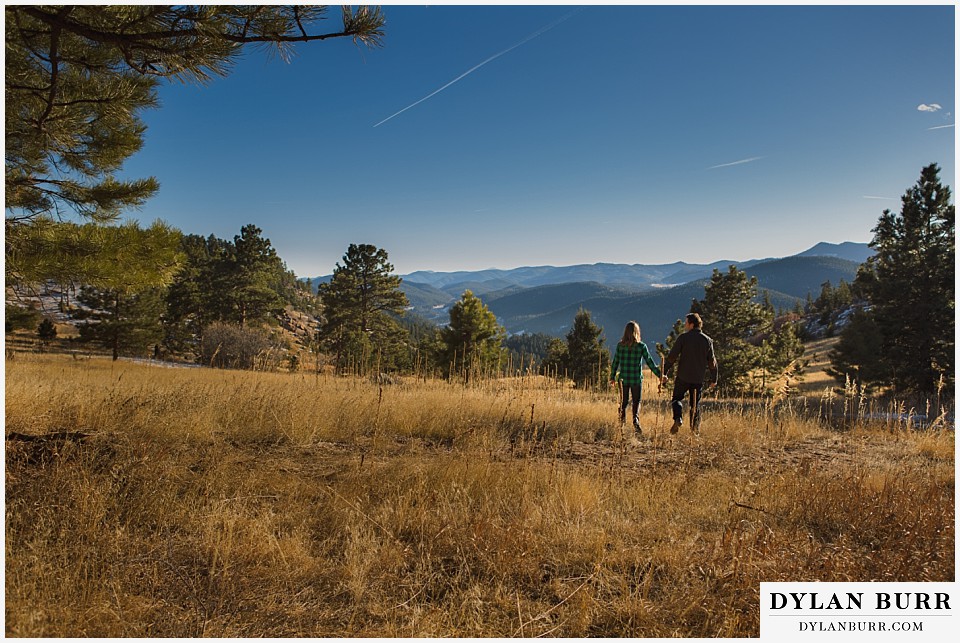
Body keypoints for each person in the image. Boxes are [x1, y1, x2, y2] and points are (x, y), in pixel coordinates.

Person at [662, 313, 718, 434]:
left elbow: (672, 357)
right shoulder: (707, 340)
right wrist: (714, 379)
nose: (685, 325)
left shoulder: (683, 338)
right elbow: (712, 362)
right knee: (695, 405)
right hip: (698, 378)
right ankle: (694, 431)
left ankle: (678, 418)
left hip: (683, 376)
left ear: (692, 324)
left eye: (686, 323)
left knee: (676, 399)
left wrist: (664, 372)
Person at [609, 321, 662, 436]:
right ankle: (635, 420)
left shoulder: (620, 346)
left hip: (623, 379)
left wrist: (612, 377)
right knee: (636, 401)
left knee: (624, 402)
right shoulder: (641, 346)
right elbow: (650, 362)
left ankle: (621, 424)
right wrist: (660, 375)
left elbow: (615, 362)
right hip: (636, 379)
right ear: (637, 332)